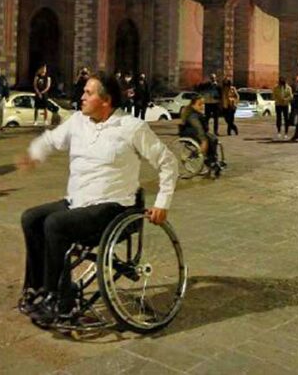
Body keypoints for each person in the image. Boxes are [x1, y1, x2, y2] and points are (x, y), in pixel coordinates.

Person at [16, 74, 178, 328]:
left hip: (114, 207)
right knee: (32, 218)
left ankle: (58, 299)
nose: (82, 96)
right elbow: (50, 140)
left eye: (88, 93)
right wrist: (34, 154)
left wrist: (162, 202)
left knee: (55, 224)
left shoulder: (132, 127)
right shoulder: (78, 121)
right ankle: (36, 289)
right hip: (78, 201)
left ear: (106, 100)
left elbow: (168, 162)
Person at [179, 95, 222, 174]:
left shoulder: (197, 113)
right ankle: (209, 160)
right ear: (193, 105)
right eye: (200, 104)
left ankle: (213, 159)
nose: (202, 106)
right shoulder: (192, 116)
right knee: (209, 140)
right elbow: (198, 128)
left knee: (213, 139)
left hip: (196, 132)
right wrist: (203, 141)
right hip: (191, 133)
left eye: (203, 104)